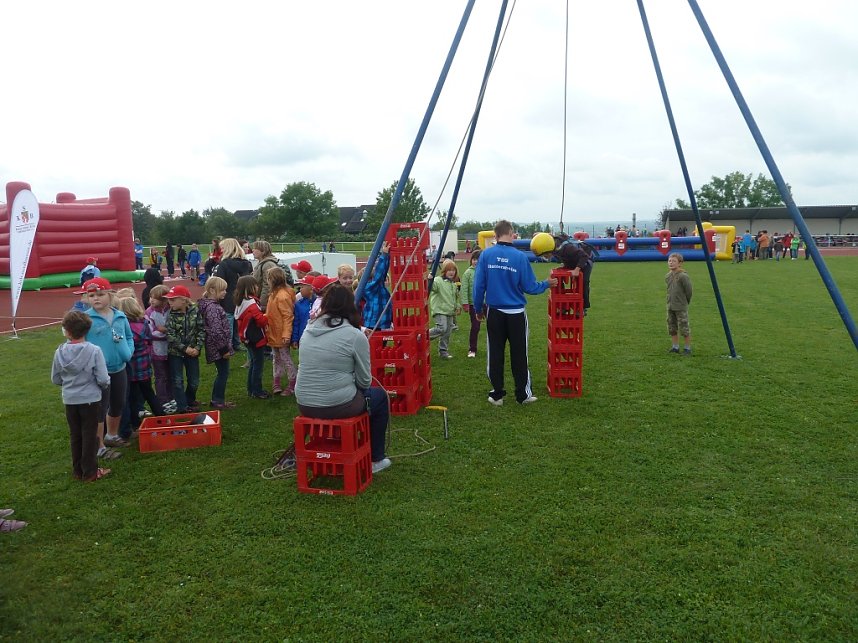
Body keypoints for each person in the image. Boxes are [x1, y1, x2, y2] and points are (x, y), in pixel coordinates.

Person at [295, 284, 391, 474]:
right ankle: (376, 458)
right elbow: (364, 382)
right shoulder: (355, 335)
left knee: (354, 393)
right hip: (338, 404)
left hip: (304, 402)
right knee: (380, 397)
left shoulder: (308, 330)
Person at [473, 220, 557, 406]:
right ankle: (523, 395)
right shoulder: (519, 257)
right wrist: (546, 284)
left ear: (495, 236)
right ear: (512, 234)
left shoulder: (486, 255)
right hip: (516, 314)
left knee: (495, 354)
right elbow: (530, 286)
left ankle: (497, 395)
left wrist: (478, 309)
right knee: (520, 354)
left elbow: (478, 286)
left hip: (494, 313)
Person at [51, 309, 111, 482]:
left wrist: (70, 384)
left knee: (75, 434)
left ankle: (78, 470)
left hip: (70, 399)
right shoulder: (94, 350)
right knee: (90, 435)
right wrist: (101, 385)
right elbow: (103, 378)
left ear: (67, 331)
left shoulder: (59, 352)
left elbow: (55, 378)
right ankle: (90, 471)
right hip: (90, 399)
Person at [76, 277, 134, 455]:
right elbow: (79, 343)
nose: (96, 298)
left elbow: (129, 336)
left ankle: (112, 435)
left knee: (118, 403)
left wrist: (128, 352)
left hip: (119, 368)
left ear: (110, 295)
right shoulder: (86, 320)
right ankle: (99, 445)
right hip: (97, 373)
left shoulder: (120, 316)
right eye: (91, 295)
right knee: (99, 409)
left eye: (100, 294)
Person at [117, 297, 163, 420]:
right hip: (144, 362)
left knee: (131, 395)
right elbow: (149, 339)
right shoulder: (144, 323)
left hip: (131, 364)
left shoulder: (123, 327)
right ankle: (160, 414)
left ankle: (134, 421)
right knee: (148, 392)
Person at [197, 276, 235, 409]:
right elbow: (216, 330)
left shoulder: (211, 305)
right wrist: (224, 349)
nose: (225, 292)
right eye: (222, 290)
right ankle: (217, 400)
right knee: (223, 373)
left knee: (223, 372)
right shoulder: (212, 308)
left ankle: (218, 399)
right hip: (219, 347)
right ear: (212, 290)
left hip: (217, 346)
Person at [165, 285, 204, 413]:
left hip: (193, 352)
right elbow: (170, 335)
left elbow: (201, 330)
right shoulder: (170, 315)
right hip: (176, 353)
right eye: (169, 300)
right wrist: (185, 348)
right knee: (177, 380)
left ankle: (189, 399)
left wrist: (197, 347)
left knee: (194, 381)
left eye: (172, 300)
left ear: (183, 300)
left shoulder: (195, 311)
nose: (169, 302)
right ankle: (182, 406)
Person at [212, 238, 253, 352]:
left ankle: (228, 347)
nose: (221, 250)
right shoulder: (246, 264)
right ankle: (237, 343)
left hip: (228, 298)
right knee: (237, 322)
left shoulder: (224, 264)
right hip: (243, 298)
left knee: (228, 324)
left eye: (223, 247)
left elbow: (220, 283)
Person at [234, 275, 270, 399]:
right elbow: (260, 321)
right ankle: (257, 390)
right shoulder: (251, 303)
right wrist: (267, 315)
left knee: (253, 362)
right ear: (251, 288)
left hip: (247, 338)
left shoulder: (240, 302)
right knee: (258, 364)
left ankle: (251, 389)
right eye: (256, 286)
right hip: (256, 338)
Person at [265, 267, 297, 396]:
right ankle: (276, 381)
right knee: (276, 359)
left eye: (268, 279)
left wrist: (286, 334)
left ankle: (292, 384)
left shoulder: (282, 296)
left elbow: (287, 316)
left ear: (273, 280)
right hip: (273, 332)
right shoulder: (273, 294)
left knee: (286, 359)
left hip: (281, 333)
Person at [145, 284, 175, 412]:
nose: (151, 300)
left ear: (164, 300)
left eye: (155, 298)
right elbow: (151, 332)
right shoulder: (149, 312)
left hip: (171, 348)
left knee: (171, 374)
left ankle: (172, 397)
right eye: (151, 297)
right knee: (160, 376)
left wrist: (164, 330)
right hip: (157, 351)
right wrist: (166, 333)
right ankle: (163, 400)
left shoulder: (171, 309)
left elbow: (174, 328)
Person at [428, 259, 461, 359]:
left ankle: (443, 351)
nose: (451, 272)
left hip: (449, 311)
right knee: (442, 328)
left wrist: (457, 306)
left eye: (453, 270)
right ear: (444, 271)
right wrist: (429, 279)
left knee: (447, 332)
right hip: (440, 310)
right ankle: (424, 336)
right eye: (449, 270)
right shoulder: (438, 281)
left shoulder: (453, 284)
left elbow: (455, 297)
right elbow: (431, 287)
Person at [359, 241, 392, 332]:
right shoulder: (368, 287)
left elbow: (383, 273)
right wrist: (384, 255)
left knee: (381, 344)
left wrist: (387, 256)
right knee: (374, 344)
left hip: (381, 322)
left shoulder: (377, 286)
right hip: (373, 323)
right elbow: (379, 274)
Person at [665, 252, 693, 355]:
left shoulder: (683, 276)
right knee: (672, 327)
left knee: (684, 327)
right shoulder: (668, 276)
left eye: (674, 261)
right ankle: (675, 347)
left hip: (680, 306)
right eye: (669, 261)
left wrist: (685, 302)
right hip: (670, 305)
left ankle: (687, 348)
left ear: (680, 263)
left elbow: (689, 291)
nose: (671, 263)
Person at [460, 248, 482, 358]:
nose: (476, 261)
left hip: (487, 303)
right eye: (474, 259)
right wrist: (465, 303)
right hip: (473, 304)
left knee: (494, 327)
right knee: (475, 327)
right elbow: (463, 289)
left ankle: (494, 348)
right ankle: (472, 349)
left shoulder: (485, 271)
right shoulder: (468, 273)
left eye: (478, 259)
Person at [251, 240, 283, 311]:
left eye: (255, 248)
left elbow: (267, 285)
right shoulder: (262, 263)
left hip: (266, 302)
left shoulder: (267, 264)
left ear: (263, 251)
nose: (252, 250)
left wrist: (263, 304)